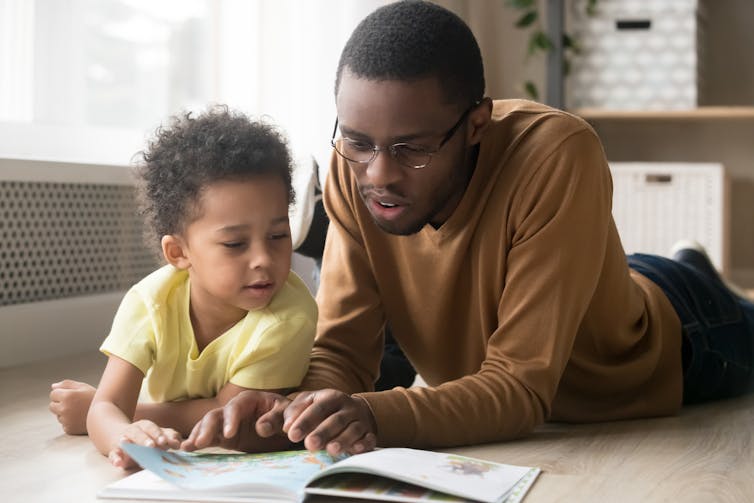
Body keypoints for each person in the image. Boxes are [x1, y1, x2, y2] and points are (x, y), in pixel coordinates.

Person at [182, 0, 754, 456]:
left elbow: (520, 389)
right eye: (358, 141)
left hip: (684, 332)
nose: (379, 174)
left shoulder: (557, 152)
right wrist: (285, 410)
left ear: (476, 124)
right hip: (566, 286)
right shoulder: (348, 168)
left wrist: (373, 413)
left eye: (412, 148)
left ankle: (698, 270)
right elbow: (343, 354)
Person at [48, 107, 317, 468]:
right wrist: (121, 436)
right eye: (236, 244)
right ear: (179, 252)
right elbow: (108, 408)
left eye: (278, 236)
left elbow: (226, 417)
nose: (263, 259)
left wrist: (127, 413)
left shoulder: (289, 315)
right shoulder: (150, 301)